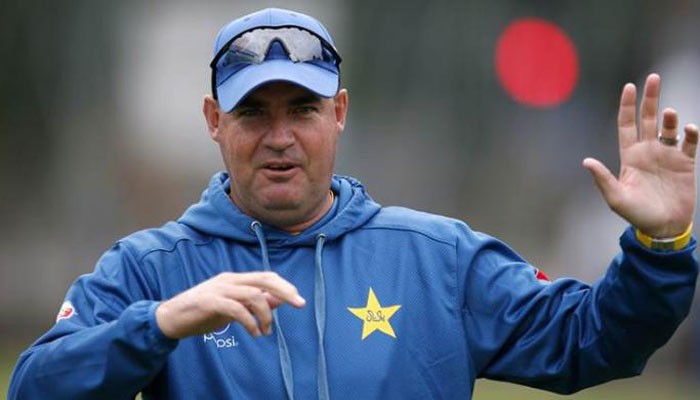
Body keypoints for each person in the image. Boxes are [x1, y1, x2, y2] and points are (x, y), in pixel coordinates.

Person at [8, 7, 699, 400]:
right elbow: (36, 386)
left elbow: (593, 341)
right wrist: (158, 325)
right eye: (253, 113)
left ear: (338, 113)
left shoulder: (438, 259)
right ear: (215, 121)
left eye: (303, 109)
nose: (280, 137)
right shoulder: (153, 268)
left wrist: (660, 248)